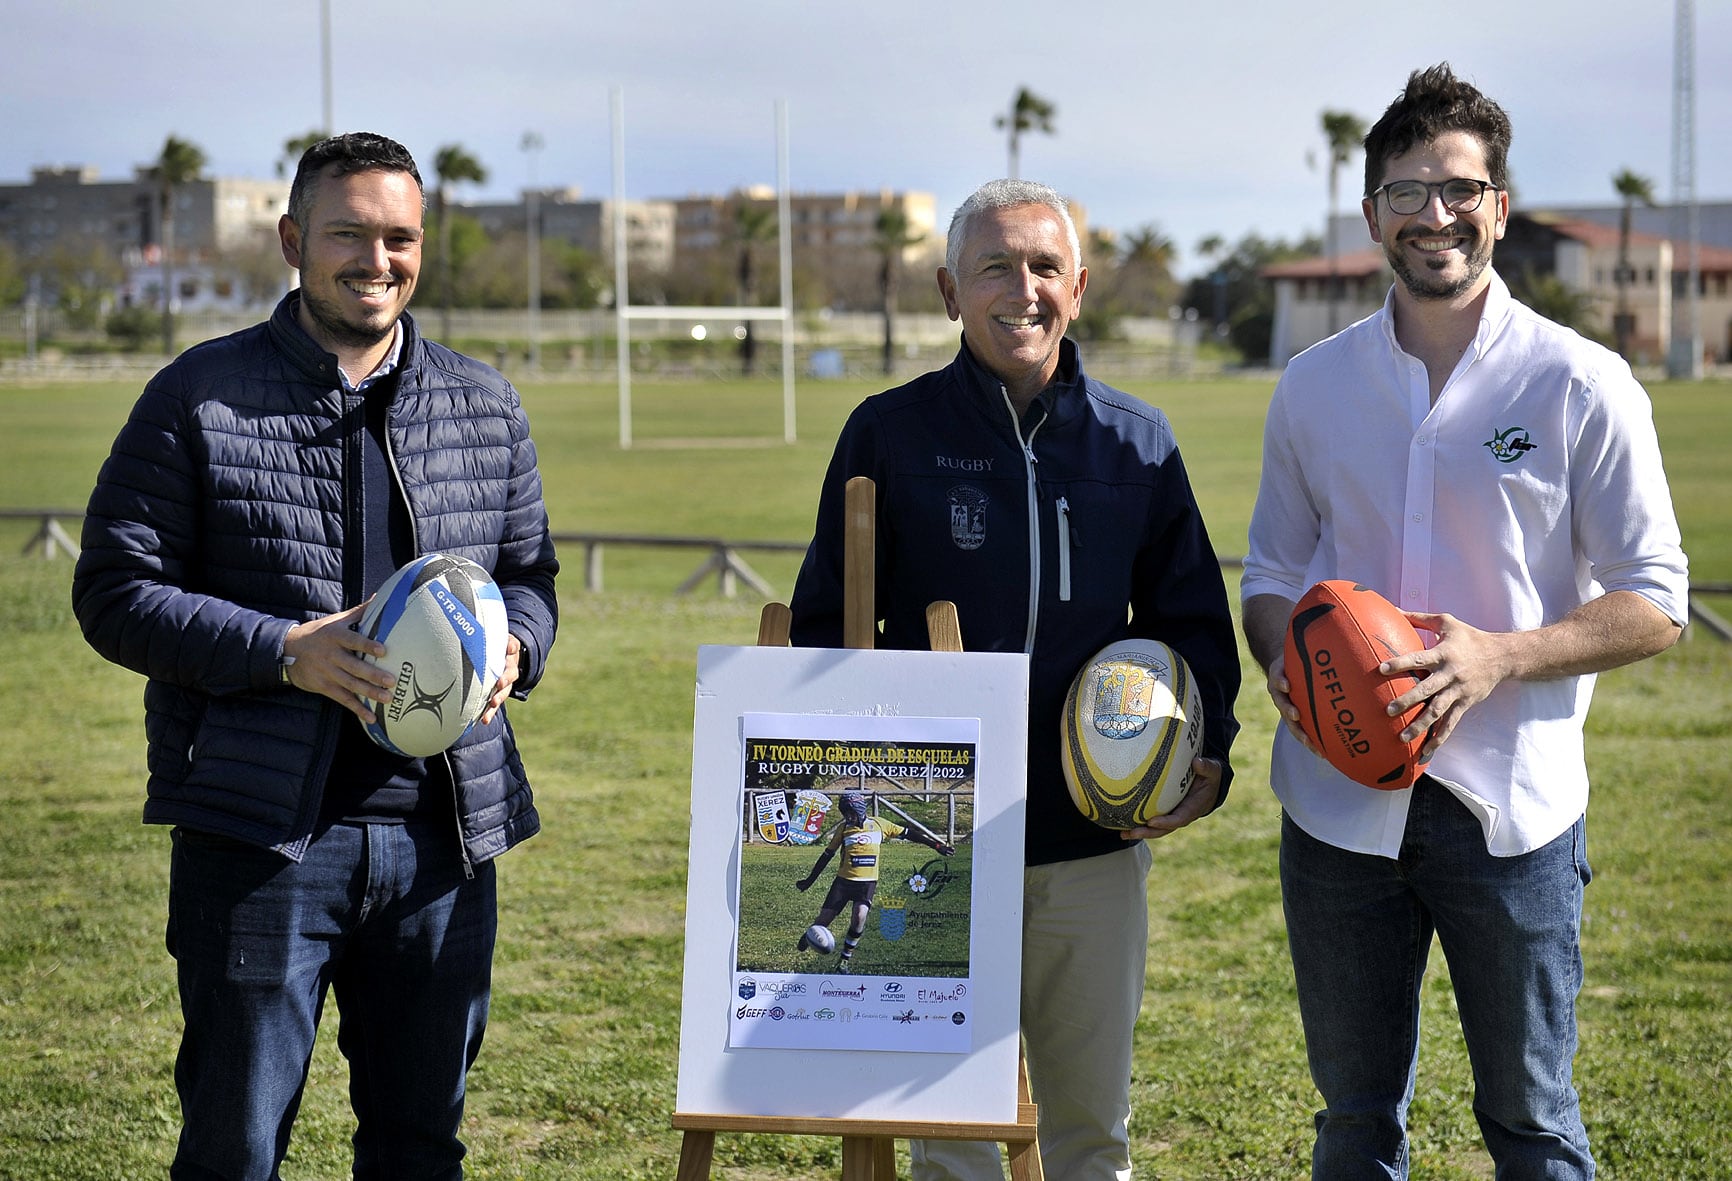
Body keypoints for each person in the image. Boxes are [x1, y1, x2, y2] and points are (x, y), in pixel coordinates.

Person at [71, 132, 560, 1181]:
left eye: (399, 237)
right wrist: (282, 650)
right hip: (263, 844)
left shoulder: (484, 402)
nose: (375, 260)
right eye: (349, 234)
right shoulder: (198, 395)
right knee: (235, 1147)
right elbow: (113, 591)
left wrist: (516, 642)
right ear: (294, 239)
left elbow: (530, 574)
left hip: (442, 842)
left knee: (420, 1144)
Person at [1239, 64, 1689, 1179]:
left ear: (1497, 203)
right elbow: (1271, 573)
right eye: (1405, 192)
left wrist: (1499, 655)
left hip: (1513, 817)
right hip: (1337, 812)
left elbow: (1657, 598)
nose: (1432, 214)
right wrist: (1284, 661)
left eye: (1458, 188)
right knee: (1353, 1119)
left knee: (1531, 1119)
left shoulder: (1581, 383)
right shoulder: (1312, 384)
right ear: (1370, 214)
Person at [789, 178, 1241, 1181]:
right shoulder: (887, 434)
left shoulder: (1137, 442)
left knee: (1091, 1132)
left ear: (1077, 287)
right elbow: (825, 626)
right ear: (952, 290)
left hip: (1094, 841)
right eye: (995, 265)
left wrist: (1205, 754)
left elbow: (1192, 629)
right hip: (937, 843)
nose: (1022, 288)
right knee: (950, 1135)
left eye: (1043, 267)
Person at [794, 790, 955, 969]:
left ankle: (845, 959)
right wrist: (810, 880)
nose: (848, 817)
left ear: (860, 810)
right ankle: (810, 936)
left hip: (867, 883)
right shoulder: (844, 829)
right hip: (843, 883)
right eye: (845, 813)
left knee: (859, 916)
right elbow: (827, 856)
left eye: (850, 813)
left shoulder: (879, 825)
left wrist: (936, 845)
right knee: (824, 919)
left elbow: (909, 833)